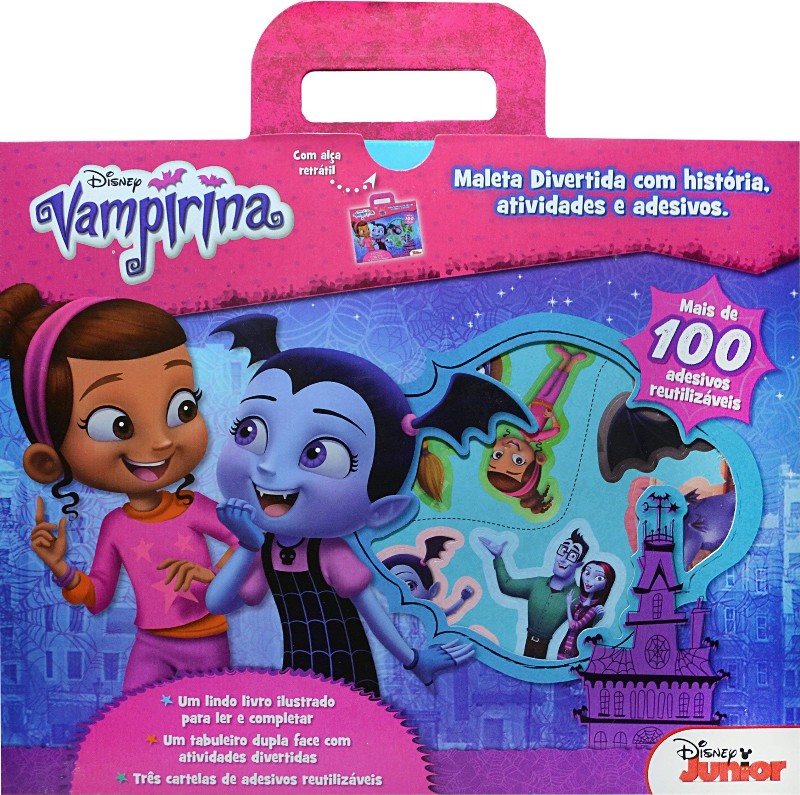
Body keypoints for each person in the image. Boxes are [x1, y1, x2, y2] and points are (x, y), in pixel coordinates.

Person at [206, 313, 531, 696]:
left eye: (317, 454)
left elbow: (372, 614)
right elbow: (218, 602)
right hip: (296, 671)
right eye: (249, 431)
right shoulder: (265, 548)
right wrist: (248, 545)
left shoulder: (331, 554)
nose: (268, 466)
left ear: (382, 511)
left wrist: (414, 660)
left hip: (347, 671)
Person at [0, 283, 265, 691]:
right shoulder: (116, 525)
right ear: (47, 460)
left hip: (205, 640)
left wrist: (212, 575)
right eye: (117, 424)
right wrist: (60, 567)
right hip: (149, 644)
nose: (160, 442)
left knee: (204, 720)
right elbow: (99, 595)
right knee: (131, 718)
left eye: (183, 407)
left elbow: (249, 544)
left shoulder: (193, 506)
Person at [480, 528, 589, 658]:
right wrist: (498, 557)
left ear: (579, 564)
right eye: (563, 550)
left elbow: (588, 620)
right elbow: (507, 585)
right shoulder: (537, 584)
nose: (563, 558)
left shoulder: (578, 595)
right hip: (526, 646)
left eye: (572, 556)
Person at [557, 560, 616, 659]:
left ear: (607, 583)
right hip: (565, 644)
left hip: (576, 647)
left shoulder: (593, 608)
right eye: (587, 573)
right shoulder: (579, 599)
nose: (588, 580)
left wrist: (568, 605)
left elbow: (574, 626)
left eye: (599, 578)